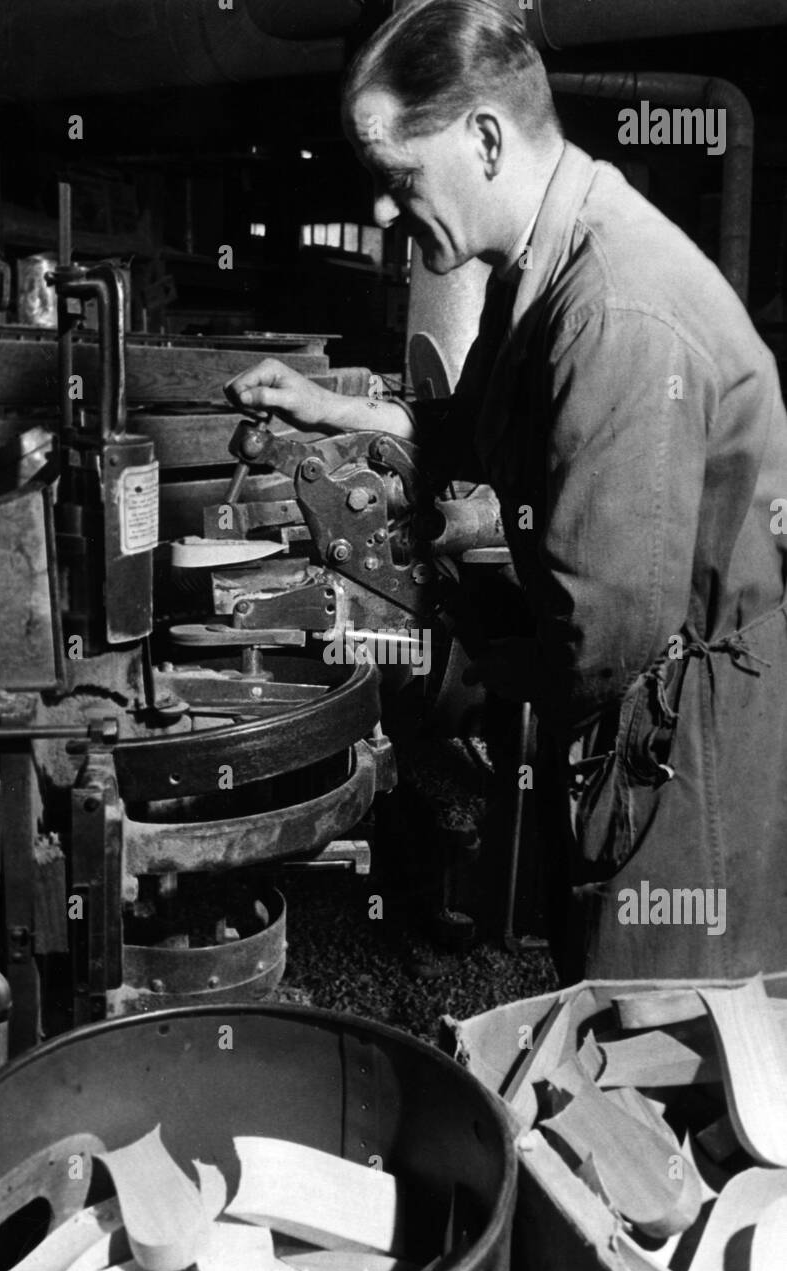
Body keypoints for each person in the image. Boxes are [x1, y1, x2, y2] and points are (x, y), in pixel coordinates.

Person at [230, 0, 787, 983]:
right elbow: (471, 425)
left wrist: (454, 671)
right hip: (638, 701)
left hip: (681, 728)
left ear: (483, 137)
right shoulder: (542, 263)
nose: (382, 211)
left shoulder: (614, 309)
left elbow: (605, 638)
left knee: (652, 1024)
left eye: (399, 177)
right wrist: (338, 413)